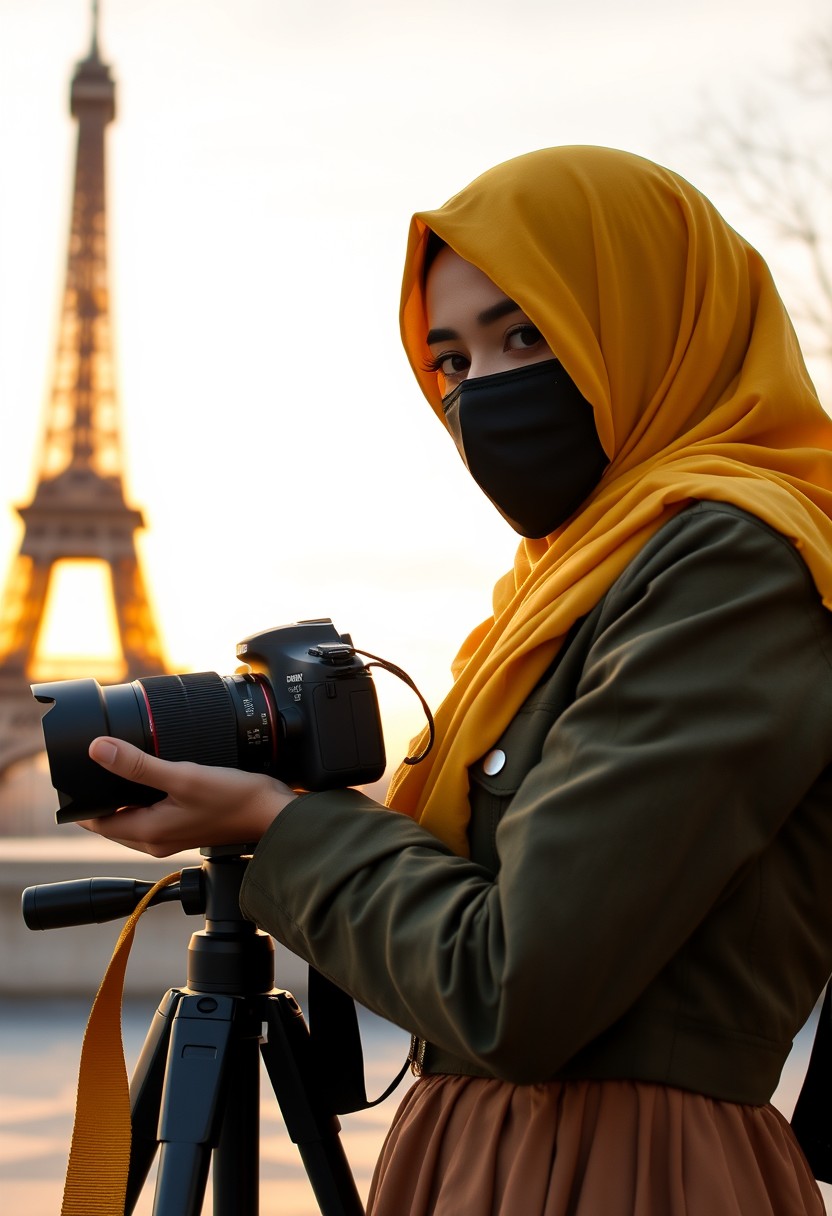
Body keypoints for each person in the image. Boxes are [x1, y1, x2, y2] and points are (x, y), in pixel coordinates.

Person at [81, 145, 832, 1215]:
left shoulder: (731, 564)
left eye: (526, 334)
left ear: (651, 320)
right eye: (451, 363)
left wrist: (283, 828)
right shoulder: (565, 582)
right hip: (486, 1153)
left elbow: (512, 985)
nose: (481, 393)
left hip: (625, 1173)